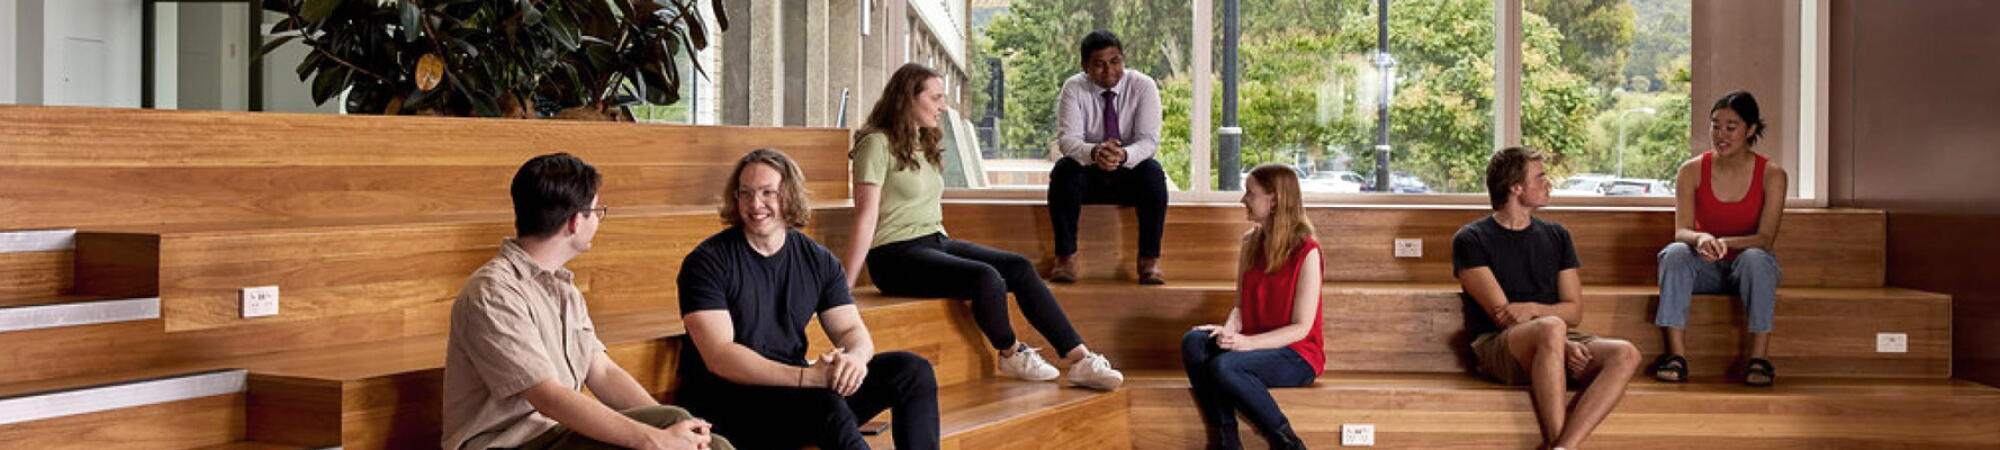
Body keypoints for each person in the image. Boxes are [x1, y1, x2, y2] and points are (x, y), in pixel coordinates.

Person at [843, 63, 1125, 391]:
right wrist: (843, 287)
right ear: (908, 99)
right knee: (985, 277)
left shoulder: (923, 141)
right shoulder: (876, 144)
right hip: (894, 257)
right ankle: (1010, 352)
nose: (943, 106)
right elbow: (864, 217)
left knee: (1018, 267)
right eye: (935, 98)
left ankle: (1080, 359)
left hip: (934, 241)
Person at [443, 153, 728, 450]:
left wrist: (674, 428)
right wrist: (654, 438)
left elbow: (603, 371)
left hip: (557, 434)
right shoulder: (493, 293)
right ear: (576, 222)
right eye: (596, 211)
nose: (597, 220)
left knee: (703, 439)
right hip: (510, 443)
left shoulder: (564, 290)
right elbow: (548, 398)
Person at [676, 149, 940, 450]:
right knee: (825, 405)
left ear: (789, 196)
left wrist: (855, 359)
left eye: (767, 193)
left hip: (796, 391)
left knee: (911, 371)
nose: (755, 204)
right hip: (730, 404)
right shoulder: (707, 262)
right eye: (746, 193)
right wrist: (809, 378)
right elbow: (720, 357)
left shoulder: (818, 260)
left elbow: (852, 331)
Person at [1453, 147, 1641, 450]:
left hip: (1555, 338)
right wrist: (1557, 340)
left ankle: (1564, 447)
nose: (1548, 183)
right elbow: (1503, 316)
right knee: (1552, 327)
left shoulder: (1557, 235)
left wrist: (1537, 313)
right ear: (1515, 187)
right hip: (1498, 346)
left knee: (1626, 353)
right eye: (1540, 177)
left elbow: (1574, 311)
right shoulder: (1471, 239)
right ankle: (1558, 440)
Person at [1651, 90, 1789, 386]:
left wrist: (1725, 242)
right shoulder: (1690, 171)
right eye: (1715, 125)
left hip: (1749, 270)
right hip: (1705, 269)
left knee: (1756, 258)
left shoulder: (1772, 174)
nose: (1721, 134)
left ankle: (1759, 358)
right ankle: (1676, 356)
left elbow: (1765, 238)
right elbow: (1682, 230)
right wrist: (1701, 239)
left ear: (1750, 130)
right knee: (1675, 251)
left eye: (1731, 127)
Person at [1180, 164, 1323, 450]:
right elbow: (1240, 306)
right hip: (1252, 345)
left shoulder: (1307, 252)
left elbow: (1302, 327)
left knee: (1226, 366)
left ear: (1274, 201)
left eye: (1250, 193)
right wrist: (1229, 330)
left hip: (1296, 354)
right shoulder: (1249, 242)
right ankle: (1226, 439)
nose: (1243, 200)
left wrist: (1246, 344)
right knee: (1195, 341)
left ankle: (1287, 442)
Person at [1049, 29, 1171, 285]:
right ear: (1085, 67)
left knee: (1153, 173)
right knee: (1063, 170)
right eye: (1099, 64)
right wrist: (1095, 152)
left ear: (1123, 60)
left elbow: (1149, 140)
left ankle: (1149, 262)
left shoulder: (1143, 86)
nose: (1109, 71)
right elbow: (1068, 140)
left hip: (1129, 171)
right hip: (1089, 173)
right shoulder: (1073, 87)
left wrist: (1123, 154)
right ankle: (1065, 258)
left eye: (1115, 62)